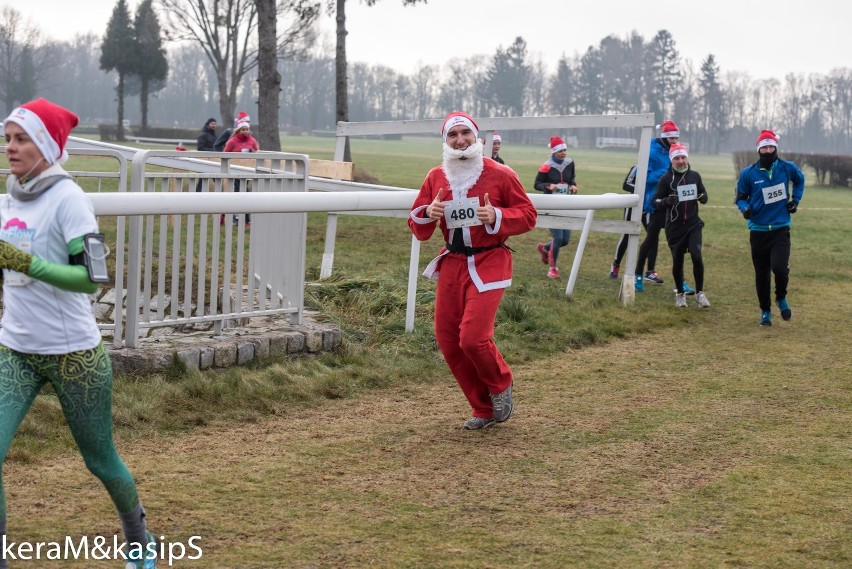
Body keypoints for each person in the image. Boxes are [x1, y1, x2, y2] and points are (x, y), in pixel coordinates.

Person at [0, 98, 158, 568]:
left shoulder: (69, 199)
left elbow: (91, 278)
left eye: (21, 138)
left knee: (100, 460)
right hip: (16, 351)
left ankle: (140, 540)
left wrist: (28, 263)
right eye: (7, 138)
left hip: (75, 356)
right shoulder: (9, 197)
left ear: (47, 145)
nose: (10, 147)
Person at [408, 111, 537, 430]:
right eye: (452, 135)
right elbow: (417, 224)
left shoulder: (501, 174)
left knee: (473, 338)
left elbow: (528, 215)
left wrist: (496, 215)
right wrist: (428, 211)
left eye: (465, 133)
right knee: (449, 340)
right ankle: (482, 408)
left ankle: (500, 384)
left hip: (489, 261)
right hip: (452, 263)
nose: (460, 140)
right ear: (446, 141)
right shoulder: (435, 176)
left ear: (476, 137)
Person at [735, 129, 805, 327]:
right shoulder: (748, 173)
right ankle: (765, 311)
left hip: (780, 228)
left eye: (770, 146)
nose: (767, 150)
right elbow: (740, 197)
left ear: (776, 147)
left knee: (779, 268)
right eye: (764, 147)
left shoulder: (787, 167)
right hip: (758, 230)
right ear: (758, 149)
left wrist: (795, 201)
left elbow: (800, 181)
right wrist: (744, 209)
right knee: (762, 274)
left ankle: (780, 298)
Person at [625, 120, 693, 294]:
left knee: (675, 244)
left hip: (672, 204)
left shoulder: (674, 151)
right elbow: (644, 178)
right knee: (651, 240)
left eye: (676, 137)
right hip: (654, 203)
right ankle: (638, 275)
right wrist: (666, 171)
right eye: (671, 137)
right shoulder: (651, 152)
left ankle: (681, 282)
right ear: (663, 137)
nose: (675, 140)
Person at [652, 143, 710, 309]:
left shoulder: (695, 176)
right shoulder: (665, 179)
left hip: (693, 224)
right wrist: (667, 201)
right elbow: (654, 201)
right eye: (676, 158)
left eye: (683, 157)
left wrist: (702, 196)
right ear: (671, 160)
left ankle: (700, 294)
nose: (680, 161)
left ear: (687, 158)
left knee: (696, 255)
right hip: (675, 227)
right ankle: (680, 294)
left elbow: (704, 195)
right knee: (678, 260)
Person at [533, 136, 578, 279]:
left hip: (566, 205)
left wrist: (573, 185)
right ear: (554, 151)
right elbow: (537, 184)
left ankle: (545, 248)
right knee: (558, 237)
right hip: (551, 205)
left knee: (565, 240)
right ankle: (553, 268)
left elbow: (572, 178)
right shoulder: (546, 166)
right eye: (560, 151)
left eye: (565, 150)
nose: (564, 153)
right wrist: (548, 186)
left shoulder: (570, 163)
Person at [223, 112, 258, 226]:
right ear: (238, 130)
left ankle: (233, 216)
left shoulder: (252, 140)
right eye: (243, 130)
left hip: (247, 171)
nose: (245, 132)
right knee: (243, 194)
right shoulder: (232, 141)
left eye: (247, 129)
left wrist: (252, 153)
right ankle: (244, 220)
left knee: (243, 193)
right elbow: (225, 154)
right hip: (234, 171)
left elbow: (257, 152)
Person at [195, 117, 217, 192]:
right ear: (208, 124)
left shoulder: (215, 136)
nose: (214, 125)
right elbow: (200, 148)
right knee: (202, 179)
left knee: (217, 179)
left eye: (215, 124)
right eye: (212, 123)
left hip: (214, 161)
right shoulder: (203, 135)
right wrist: (213, 151)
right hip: (204, 161)